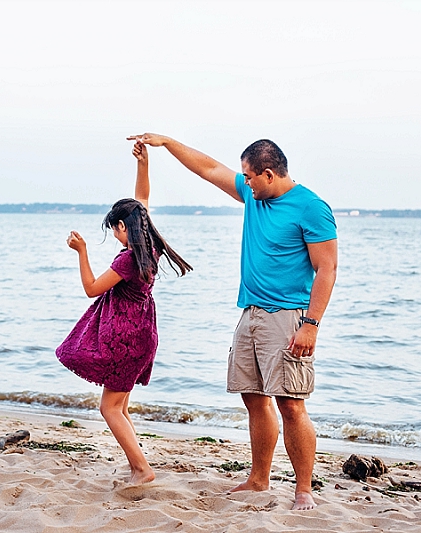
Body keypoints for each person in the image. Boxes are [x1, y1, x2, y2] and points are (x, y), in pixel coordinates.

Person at [126, 133, 338, 510]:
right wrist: (165, 143)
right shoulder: (255, 198)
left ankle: (303, 489)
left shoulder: (311, 208)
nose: (245, 183)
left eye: (250, 177)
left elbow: (327, 268)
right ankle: (259, 480)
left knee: (291, 404)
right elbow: (208, 168)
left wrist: (312, 325)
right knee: (253, 399)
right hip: (250, 312)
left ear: (268, 174)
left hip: (289, 317)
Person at [56, 141, 193, 486]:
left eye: (114, 228)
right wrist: (143, 165)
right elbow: (142, 202)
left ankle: (143, 470)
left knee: (109, 408)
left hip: (125, 337)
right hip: (143, 335)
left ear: (122, 228)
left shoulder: (127, 258)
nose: (114, 234)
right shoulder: (151, 247)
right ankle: (137, 466)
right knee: (120, 407)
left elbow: (91, 288)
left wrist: (82, 250)